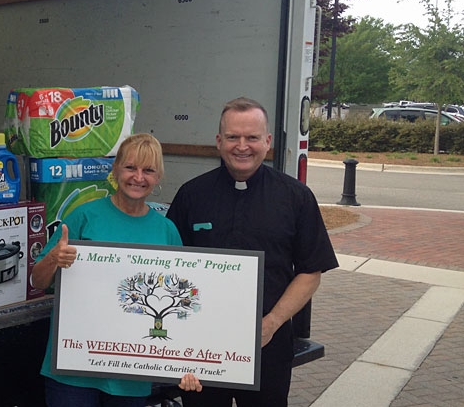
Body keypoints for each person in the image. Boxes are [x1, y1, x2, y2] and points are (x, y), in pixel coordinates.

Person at [166, 97, 339, 407]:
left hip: (268, 344)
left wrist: (271, 323)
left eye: (252, 137)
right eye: (233, 137)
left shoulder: (295, 197)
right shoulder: (192, 195)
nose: (242, 146)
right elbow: (168, 268)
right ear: (219, 142)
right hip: (201, 344)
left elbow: (311, 271)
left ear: (267, 141)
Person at [31, 133, 202, 407]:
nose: (138, 177)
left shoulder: (166, 231)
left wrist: (185, 363)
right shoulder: (83, 216)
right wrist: (54, 258)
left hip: (131, 373)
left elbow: (181, 305)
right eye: (130, 167)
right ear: (115, 170)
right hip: (73, 368)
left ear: (158, 178)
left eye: (148, 170)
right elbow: (38, 280)